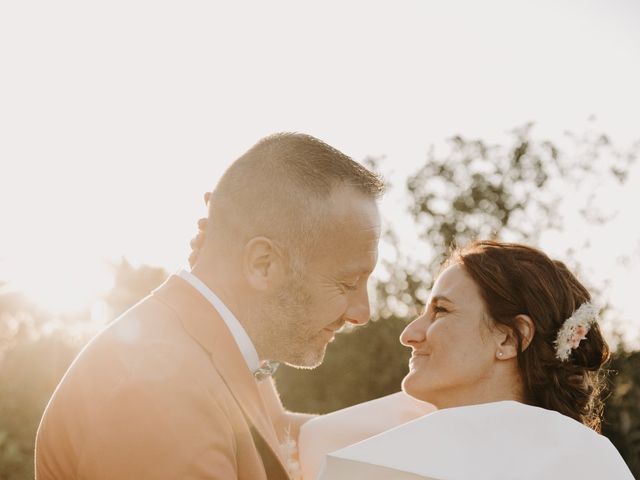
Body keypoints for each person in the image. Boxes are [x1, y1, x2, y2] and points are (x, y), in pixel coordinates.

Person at [35, 133, 384, 480]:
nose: (361, 313)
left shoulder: (216, 347)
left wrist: (427, 431)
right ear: (263, 264)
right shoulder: (162, 392)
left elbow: (276, 431)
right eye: (348, 284)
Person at [304, 241, 633, 479]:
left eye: (441, 311)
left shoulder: (404, 462)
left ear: (508, 338)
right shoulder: (596, 461)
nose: (409, 334)